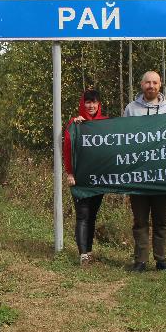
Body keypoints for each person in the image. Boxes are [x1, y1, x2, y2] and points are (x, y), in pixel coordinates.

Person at [123, 71, 166, 272]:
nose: (151, 86)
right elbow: (123, 137)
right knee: (140, 220)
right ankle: (141, 260)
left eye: (155, 82)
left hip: (162, 176)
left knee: (161, 220)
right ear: (141, 84)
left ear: (160, 85)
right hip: (138, 175)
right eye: (148, 82)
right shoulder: (131, 109)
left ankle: (161, 259)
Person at [63, 89, 108, 266]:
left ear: (99, 104)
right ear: (83, 104)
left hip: (99, 178)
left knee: (92, 215)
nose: (91, 106)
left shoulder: (105, 123)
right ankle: (83, 255)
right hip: (80, 177)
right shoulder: (75, 123)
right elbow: (68, 149)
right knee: (82, 214)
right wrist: (70, 173)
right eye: (87, 102)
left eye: (94, 102)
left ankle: (89, 251)